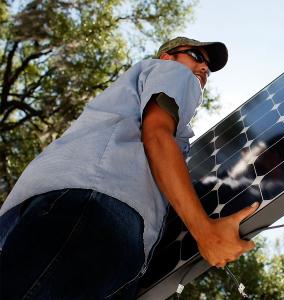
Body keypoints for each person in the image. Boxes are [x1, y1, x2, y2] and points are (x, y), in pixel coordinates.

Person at [0, 37, 258, 299]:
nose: (204, 68)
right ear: (168, 56)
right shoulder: (172, 72)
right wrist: (205, 232)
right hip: (96, 207)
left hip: (73, 210)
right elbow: (157, 135)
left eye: (209, 68)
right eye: (197, 56)